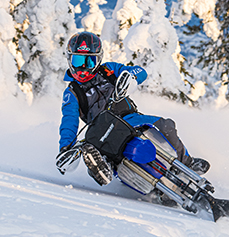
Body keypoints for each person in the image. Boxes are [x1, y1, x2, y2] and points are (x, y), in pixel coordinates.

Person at [58, 31, 210, 186]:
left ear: (98, 60)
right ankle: (103, 167)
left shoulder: (108, 70)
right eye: (78, 61)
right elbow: (69, 121)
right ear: (69, 60)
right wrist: (65, 146)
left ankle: (187, 162)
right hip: (103, 133)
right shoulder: (72, 93)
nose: (83, 68)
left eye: (89, 62)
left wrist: (130, 78)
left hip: (130, 119)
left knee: (165, 125)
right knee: (97, 150)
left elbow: (139, 71)